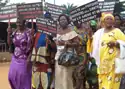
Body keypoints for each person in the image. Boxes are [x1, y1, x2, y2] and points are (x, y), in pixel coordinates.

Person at [87, 13, 125, 89]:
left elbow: (124, 44)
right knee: (103, 84)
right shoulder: (98, 33)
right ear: (103, 21)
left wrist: (115, 43)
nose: (109, 21)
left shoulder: (117, 31)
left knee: (112, 85)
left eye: (111, 19)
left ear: (113, 21)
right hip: (102, 64)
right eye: (107, 19)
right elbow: (93, 46)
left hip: (114, 64)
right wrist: (90, 38)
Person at [55, 14, 79, 89]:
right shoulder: (57, 31)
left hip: (68, 58)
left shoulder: (72, 32)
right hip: (58, 57)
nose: (62, 21)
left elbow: (77, 44)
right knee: (59, 76)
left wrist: (66, 44)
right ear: (59, 21)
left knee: (66, 77)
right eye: (61, 20)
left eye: (64, 19)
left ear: (68, 21)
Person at [7, 18, 33, 89]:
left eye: (20, 22)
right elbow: (9, 43)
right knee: (11, 77)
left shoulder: (29, 32)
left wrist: (29, 58)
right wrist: (8, 34)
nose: (18, 24)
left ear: (24, 22)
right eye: (17, 22)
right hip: (15, 58)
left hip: (25, 59)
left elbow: (32, 46)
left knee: (23, 79)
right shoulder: (15, 31)